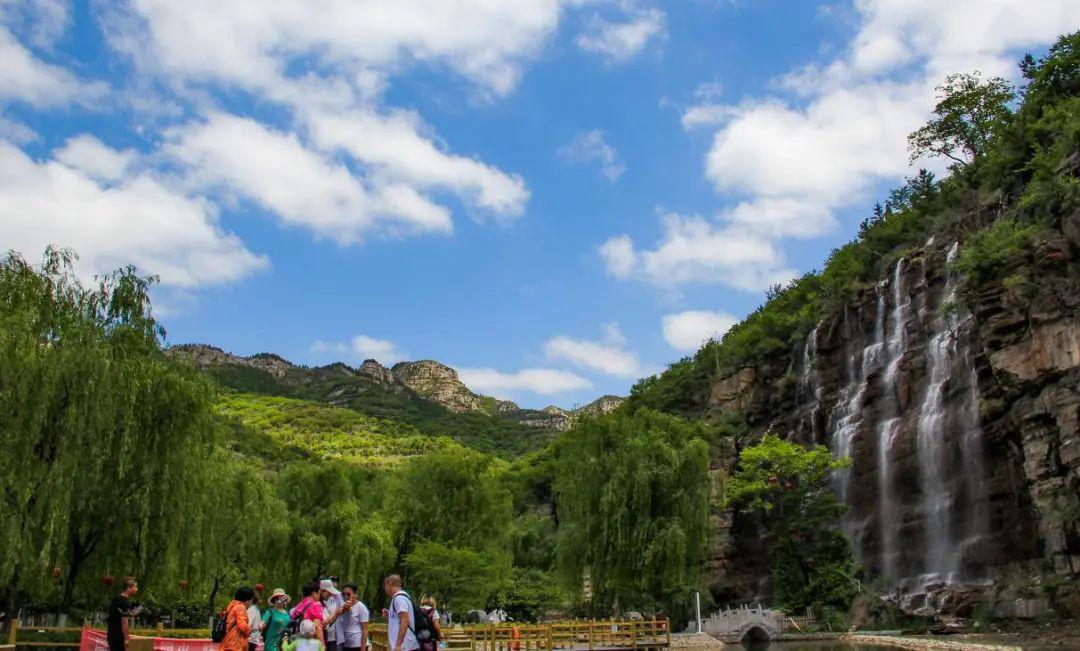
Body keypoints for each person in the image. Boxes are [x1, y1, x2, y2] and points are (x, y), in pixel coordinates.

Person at [382, 575, 419, 651]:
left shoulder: (399, 598)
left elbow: (405, 621)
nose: (385, 589)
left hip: (405, 646)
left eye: (385, 585)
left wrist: (398, 645)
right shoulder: (403, 596)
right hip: (405, 646)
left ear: (390, 583)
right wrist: (390, 615)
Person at [107, 577, 139, 651]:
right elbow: (124, 621)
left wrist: (135, 611)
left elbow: (120, 615)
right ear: (129, 588)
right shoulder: (124, 602)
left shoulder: (116, 599)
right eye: (135, 587)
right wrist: (127, 638)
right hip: (118, 636)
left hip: (112, 634)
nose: (136, 589)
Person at [337, 584, 369, 651]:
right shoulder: (343, 606)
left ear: (355, 594)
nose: (345, 596)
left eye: (348, 594)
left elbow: (365, 630)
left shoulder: (361, 607)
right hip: (346, 644)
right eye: (343, 594)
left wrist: (363, 649)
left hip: (357, 645)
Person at [319, 579, 344, 651]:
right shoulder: (317, 604)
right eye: (329, 592)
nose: (331, 594)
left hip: (329, 637)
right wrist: (336, 613)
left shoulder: (323, 604)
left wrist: (336, 614)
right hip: (321, 640)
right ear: (322, 591)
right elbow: (323, 624)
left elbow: (328, 624)